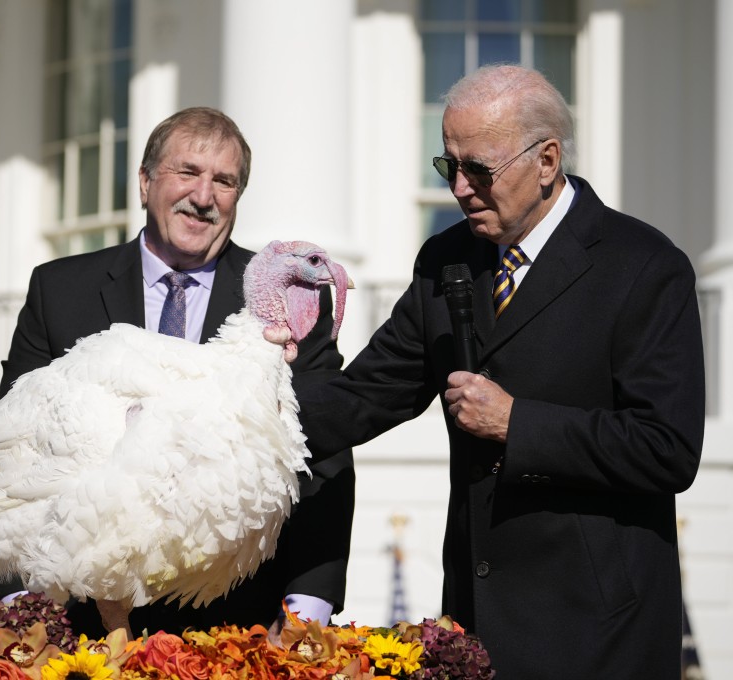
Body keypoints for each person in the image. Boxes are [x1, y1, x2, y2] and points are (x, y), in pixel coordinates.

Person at [286, 65, 704, 678]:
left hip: (599, 634)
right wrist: (243, 421)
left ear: (547, 161)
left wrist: (517, 423)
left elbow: (666, 448)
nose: (459, 187)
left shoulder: (643, 267)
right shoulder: (446, 259)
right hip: (474, 627)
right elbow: (367, 394)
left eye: (478, 169)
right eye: (446, 166)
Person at [0, 106, 355, 638]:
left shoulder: (285, 302)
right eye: (187, 172)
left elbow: (325, 450)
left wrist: (306, 610)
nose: (203, 197)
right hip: (79, 627)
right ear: (144, 181)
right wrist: (20, 610)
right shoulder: (59, 291)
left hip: (236, 628)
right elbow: (13, 450)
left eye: (223, 181)